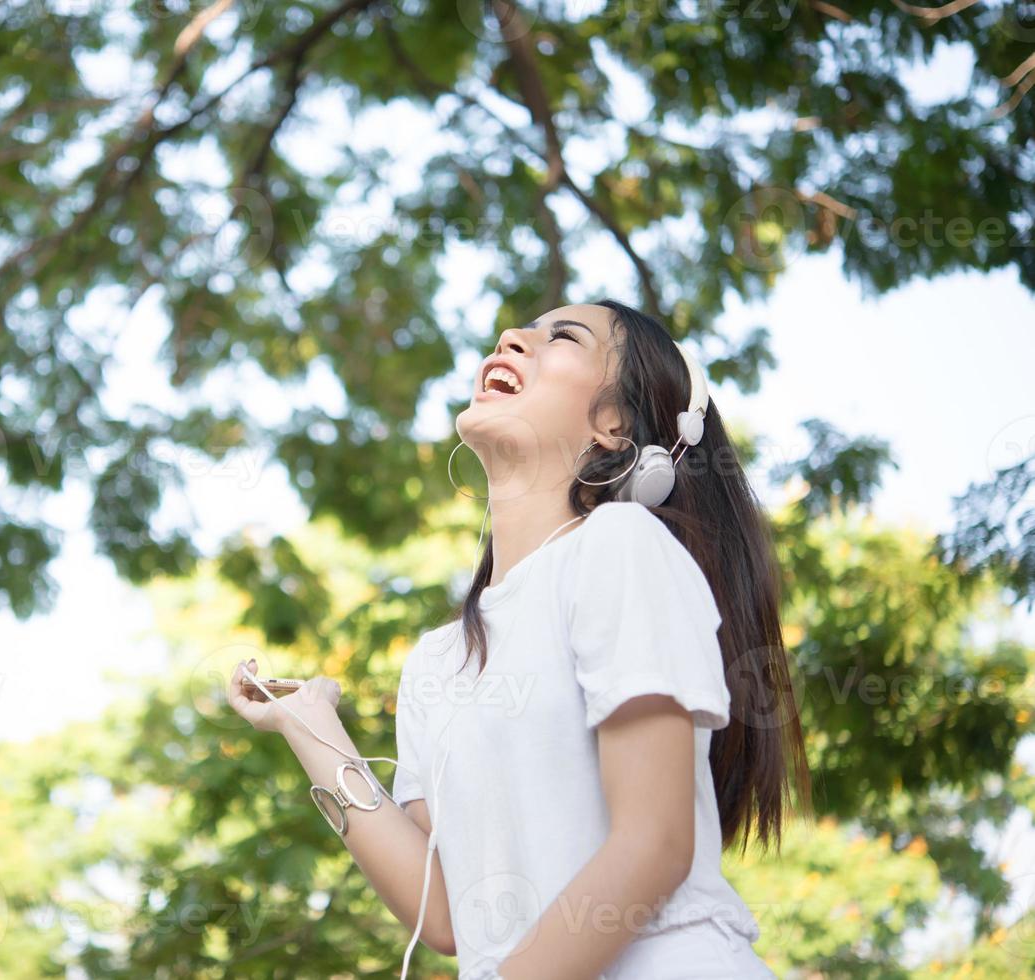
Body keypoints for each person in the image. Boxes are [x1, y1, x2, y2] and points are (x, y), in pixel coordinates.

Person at [227, 300, 811, 979]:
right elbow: (444, 914)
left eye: (560, 336)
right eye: (517, 330)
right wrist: (311, 729)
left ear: (613, 424)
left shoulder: (619, 546)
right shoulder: (436, 660)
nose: (510, 338)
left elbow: (653, 844)